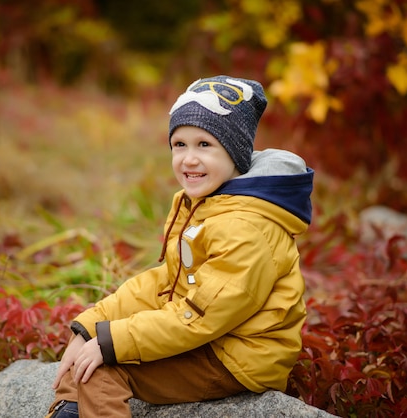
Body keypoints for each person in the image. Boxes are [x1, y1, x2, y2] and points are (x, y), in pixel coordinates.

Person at [46, 75, 314, 418]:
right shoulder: (208, 201)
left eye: (205, 145)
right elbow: (167, 281)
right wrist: (92, 325)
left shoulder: (245, 227)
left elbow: (201, 317)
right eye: (179, 144)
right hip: (210, 338)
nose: (188, 159)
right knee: (83, 361)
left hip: (236, 357)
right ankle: (70, 411)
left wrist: (112, 342)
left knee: (104, 367)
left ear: (236, 152)